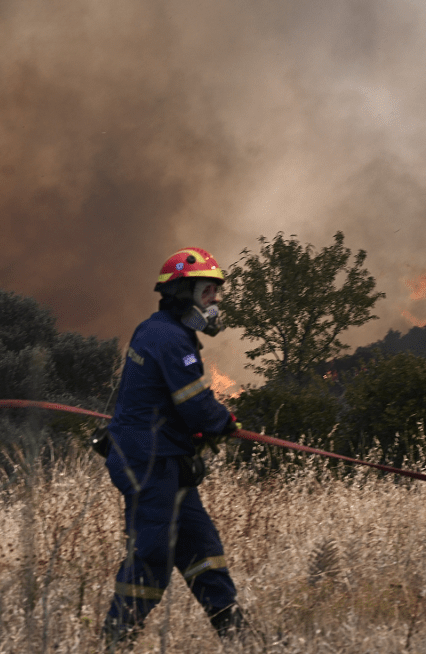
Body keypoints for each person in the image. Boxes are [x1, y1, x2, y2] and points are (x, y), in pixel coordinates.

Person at [100, 247, 244, 647]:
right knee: (151, 556)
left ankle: (241, 637)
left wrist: (196, 436)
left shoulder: (157, 330)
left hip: (165, 461)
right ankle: (115, 640)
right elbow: (197, 406)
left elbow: (172, 406)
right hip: (150, 464)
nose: (215, 300)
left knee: (204, 550)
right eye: (208, 291)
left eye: (217, 292)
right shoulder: (169, 338)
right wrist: (224, 423)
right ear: (183, 292)